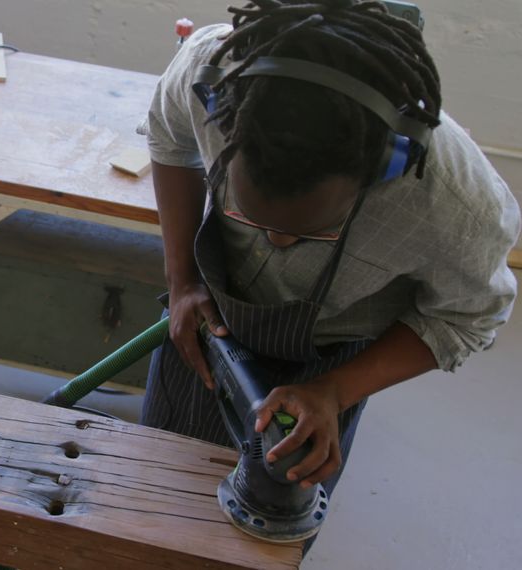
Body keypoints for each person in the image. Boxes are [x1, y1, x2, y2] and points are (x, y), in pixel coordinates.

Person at [142, 0, 520, 526]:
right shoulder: (210, 76)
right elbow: (169, 134)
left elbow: (468, 317)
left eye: (307, 229)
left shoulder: (455, 201)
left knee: (276, 520)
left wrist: (334, 391)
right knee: (148, 496)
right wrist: (181, 280)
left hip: (336, 353)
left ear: (383, 166)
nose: (275, 240)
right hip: (209, 321)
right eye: (255, 215)